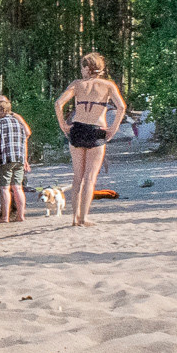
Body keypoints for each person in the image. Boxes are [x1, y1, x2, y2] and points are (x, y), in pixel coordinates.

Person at [54, 52, 124, 226]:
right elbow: (121, 107)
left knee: (77, 177)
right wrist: (113, 129)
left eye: (82, 67)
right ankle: (84, 218)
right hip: (96, 130)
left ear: (87, 68)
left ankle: (74, 217)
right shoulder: (108, 85)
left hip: (77, 129)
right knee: (90, 177)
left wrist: (63, 124)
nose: (81, 71)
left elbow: (58, 103)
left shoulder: (77, 85)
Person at [0, 95, 32, 222]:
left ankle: (5, 216)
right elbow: (26, 136)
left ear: (2, 109)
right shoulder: (18, 122)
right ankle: (21, 215)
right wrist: (25, 158)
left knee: (4, 188)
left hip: (5, 158)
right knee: (18, 187)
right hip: (19, 157)